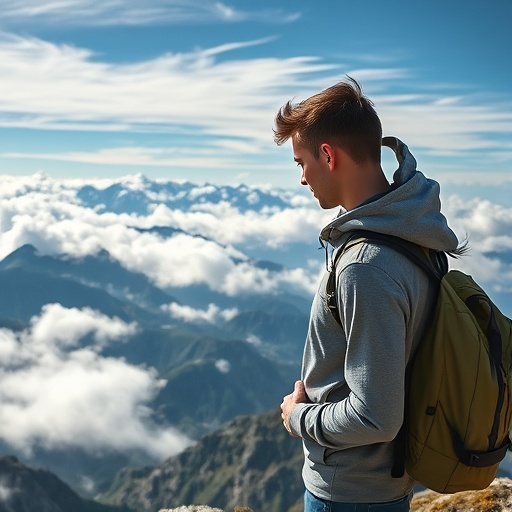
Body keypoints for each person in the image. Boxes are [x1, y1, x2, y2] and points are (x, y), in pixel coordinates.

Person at [275, 77, 461, 511]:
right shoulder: (412, 230)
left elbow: (375, 416)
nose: (302, 178)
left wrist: (297, 417)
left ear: (327, 154)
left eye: (300, 162)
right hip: (384, 485)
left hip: (350, 493)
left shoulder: (365, 266)